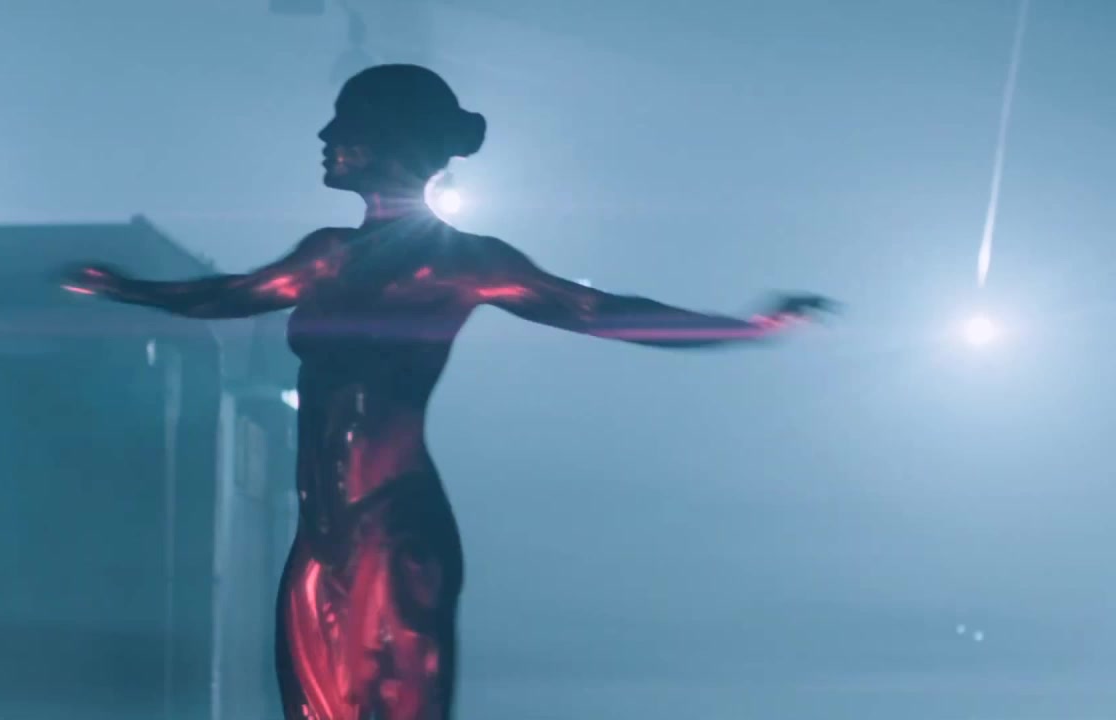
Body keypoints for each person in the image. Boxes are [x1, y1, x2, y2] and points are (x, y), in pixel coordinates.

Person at [62, 64, 833, 720]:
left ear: (390, 140)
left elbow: (598, 311)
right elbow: (228, 294)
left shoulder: (463, 261)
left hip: (394, 527)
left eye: (345, 123)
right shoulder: (326, 255)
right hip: (321, 540)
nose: (325, 137)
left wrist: (748, 327)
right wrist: (127, 288)